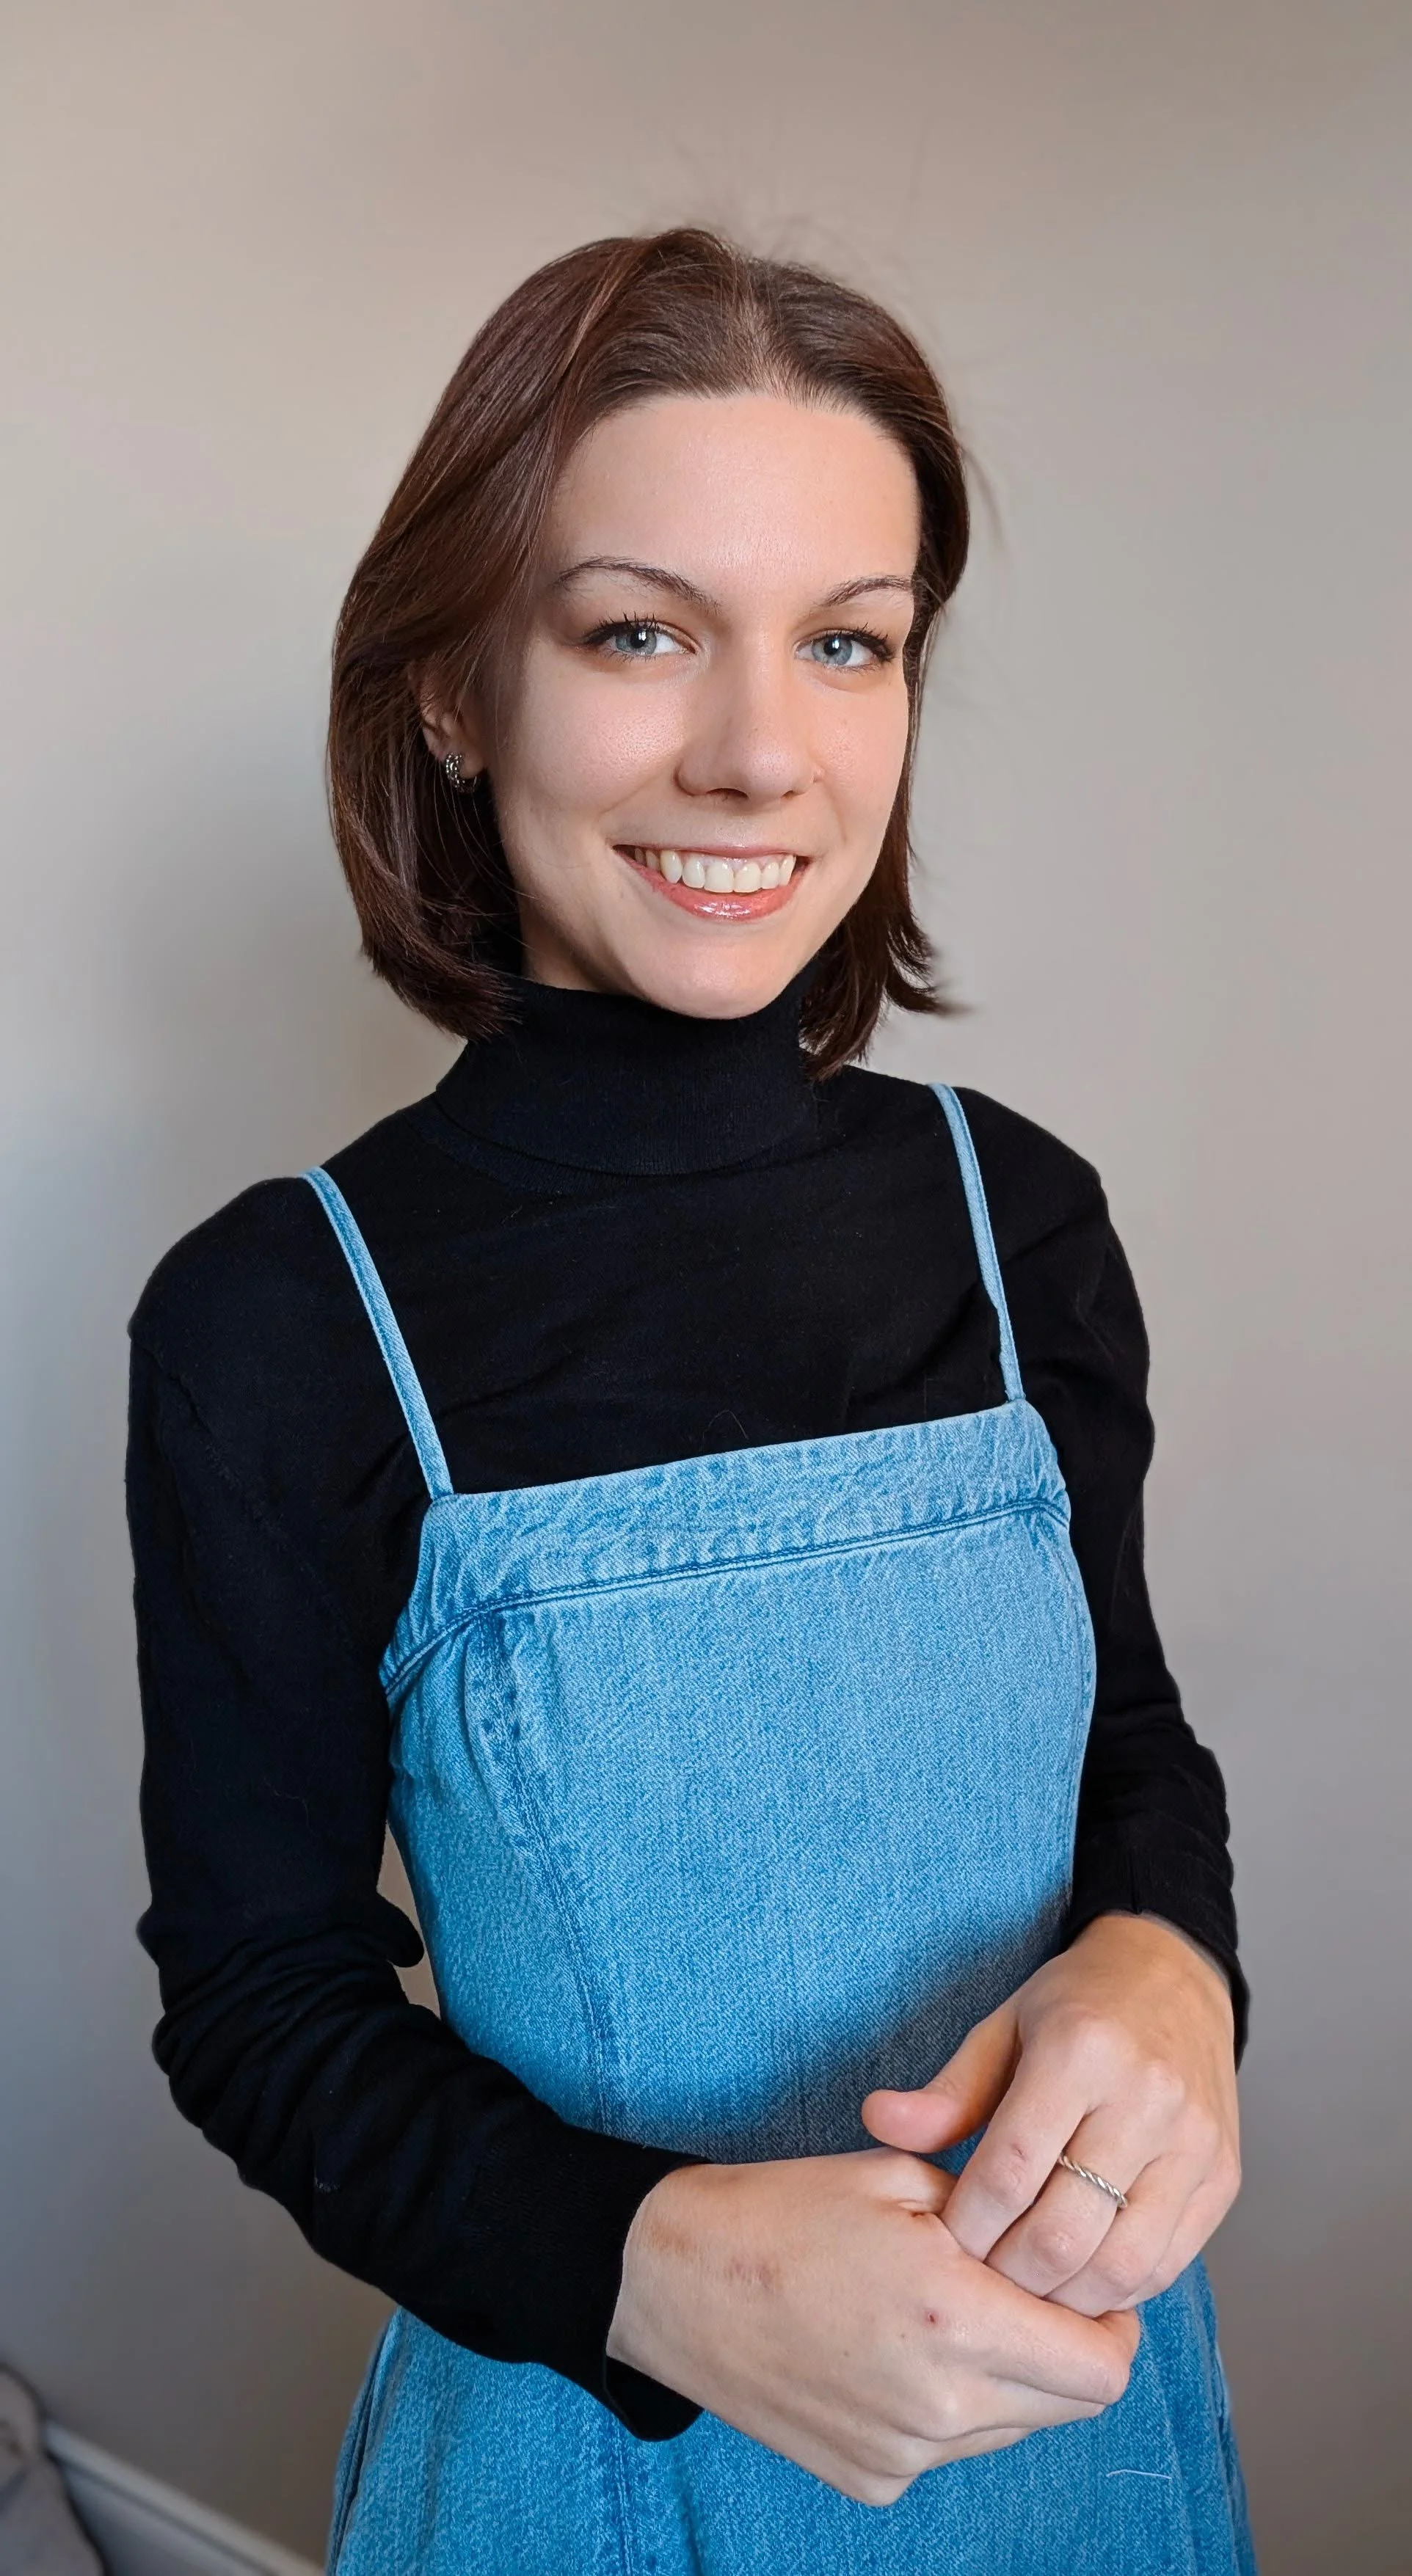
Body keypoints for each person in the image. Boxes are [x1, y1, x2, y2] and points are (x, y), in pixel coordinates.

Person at [128, 229, 1255, 2572]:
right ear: (454, 686)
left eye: (848, 640)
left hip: (1093, 2449)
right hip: (580, 2476)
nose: (760, 748)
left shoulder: (1010, 1215)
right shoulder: (281, 1315)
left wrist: (1171, 1962)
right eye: (639, 629)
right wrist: (656, 2266)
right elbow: (260, 1999)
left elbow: (1123, 1746)